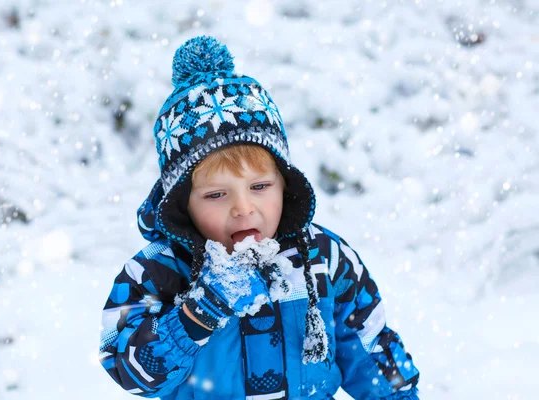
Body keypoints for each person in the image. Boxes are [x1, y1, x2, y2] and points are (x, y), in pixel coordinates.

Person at [98, 36, 420, 400]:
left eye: (260, 186)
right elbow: (128, 369)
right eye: (217, 194)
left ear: (285, 184)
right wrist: (196, 313)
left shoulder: (323, 259)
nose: (243, 208)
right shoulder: (159, 272)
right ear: (183, 204)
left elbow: (371, 352)